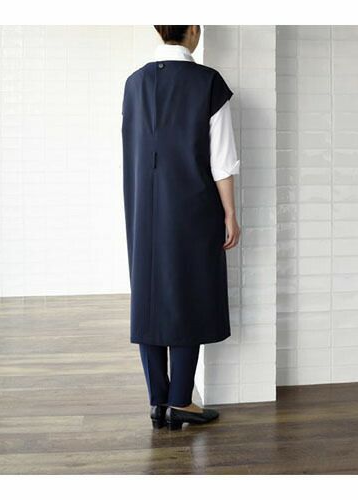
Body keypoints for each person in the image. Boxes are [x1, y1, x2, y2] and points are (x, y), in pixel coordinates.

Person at [121, 25, 240, 431]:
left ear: (159, 30)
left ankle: (158, 400)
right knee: (190, 292)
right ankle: (181, 402)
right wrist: (230, 213)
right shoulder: (207, 83)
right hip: (193, 205)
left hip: (143, 207)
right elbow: (222, 160)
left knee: (149, 294)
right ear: (193, 30)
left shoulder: (133, 84)